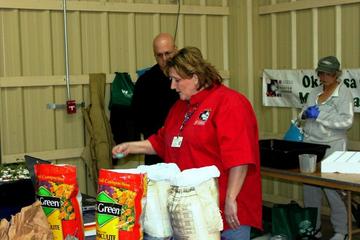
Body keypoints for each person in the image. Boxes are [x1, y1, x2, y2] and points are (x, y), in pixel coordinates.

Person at [113, 46, 262, 240]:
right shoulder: (180, 107)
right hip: (191, 212)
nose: (172, 86)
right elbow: (161, 141)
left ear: (195, 77)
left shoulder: (229, 103)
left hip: (226, 209)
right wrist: (131, 147)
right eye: (171, 80)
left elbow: (240, 158)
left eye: (177, 80)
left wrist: (231, 199)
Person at [300, 56, 354, 240]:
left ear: (336, 74)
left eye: (327, 74)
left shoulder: (344, 93)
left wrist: (320, 117)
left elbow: (347, 122)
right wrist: (305, 113)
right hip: (310, 143)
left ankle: (342, 231)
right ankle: (313, 228)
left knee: (333, 189)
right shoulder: (314, 91)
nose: (323, 77)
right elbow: (302, 113)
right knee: (310, 187)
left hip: (333, 146)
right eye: (320, 73)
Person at [131, 32, 179, 165]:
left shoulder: (189, 79)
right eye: (160, 55)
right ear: (155, 56)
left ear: (176, 50)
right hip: (156, 152)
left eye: (168, 53)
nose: (165, 58)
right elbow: (137, 119)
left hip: (184, 152)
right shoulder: (145, 82)